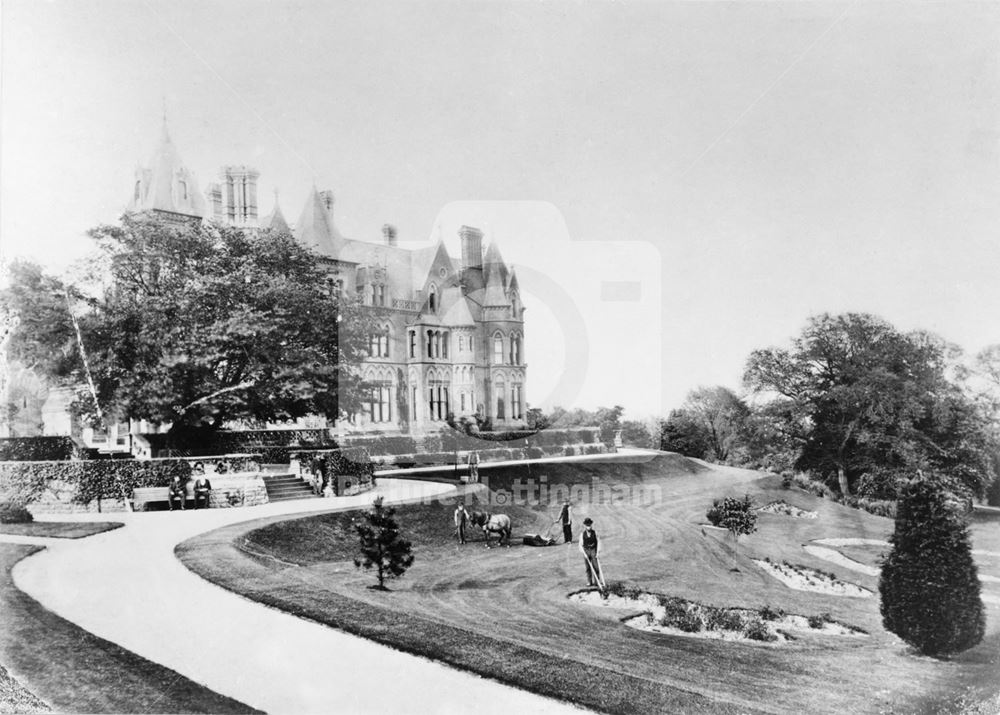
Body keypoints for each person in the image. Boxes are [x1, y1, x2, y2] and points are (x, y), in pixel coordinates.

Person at [579, 517, 602, 588]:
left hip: (593, 550)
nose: (588, 527)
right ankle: (589, 581)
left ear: (591, 525)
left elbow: (599, 542)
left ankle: (597, 581)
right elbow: (580, 545)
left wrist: (598, 552)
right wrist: (584, 553)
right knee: (588, 567)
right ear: (585, 526)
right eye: (587, 525)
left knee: (596, 567)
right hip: (586, 551)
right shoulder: (582, 534)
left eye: (589, 525)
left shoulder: (595, 533)